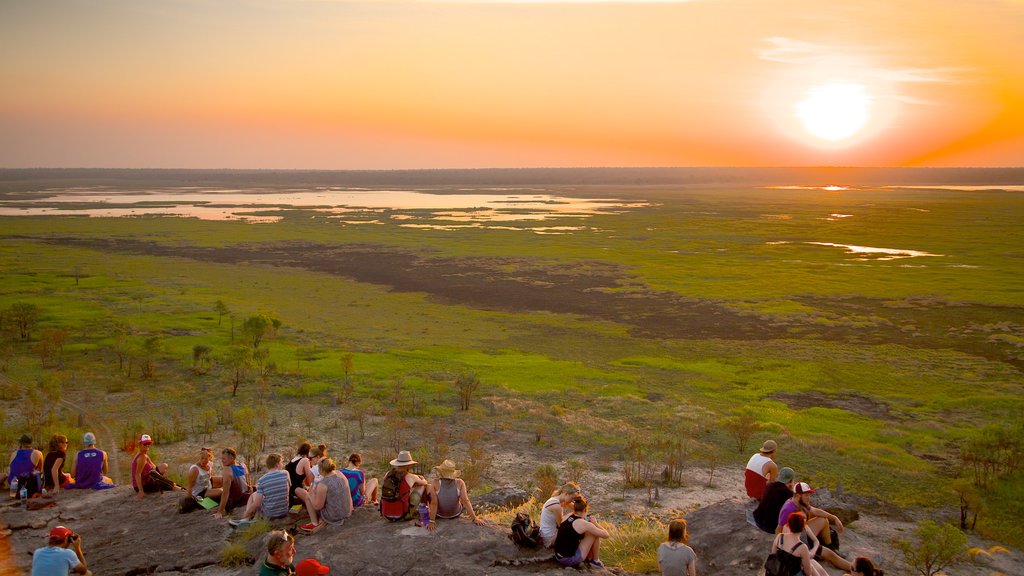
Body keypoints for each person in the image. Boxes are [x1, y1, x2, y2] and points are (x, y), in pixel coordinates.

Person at [777, 483, 851, 572]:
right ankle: (856, 569)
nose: (809, 497)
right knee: (830, 557)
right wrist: (781, 549)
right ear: (798, 495)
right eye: (806, 495)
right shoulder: (788, 509)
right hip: (797, 544)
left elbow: (815, 511)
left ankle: (856, 568)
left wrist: (834, 518)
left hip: (803, 536)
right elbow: (779, 529)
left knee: (823, 520)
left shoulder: (800, 502)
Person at [380, 450, 436, 530]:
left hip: (386, 515)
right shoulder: (410, 476)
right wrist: (421, 479)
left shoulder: (388, 474)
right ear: (408, 465)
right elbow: (425, 482)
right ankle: (425, 510)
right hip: (402, 516)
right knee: (423, 486)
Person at [233, 453, 290, 526]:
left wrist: (246, 513)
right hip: (284, 511)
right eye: (281, 463)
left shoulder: (262, 480)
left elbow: (257, 504)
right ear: (277, 464)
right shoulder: (286, 473)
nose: (282, 465)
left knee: (253, 495)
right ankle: (249, 519)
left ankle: (245, 518)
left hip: (270, 515)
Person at [297, 458, 352, 533]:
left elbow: (317, 506)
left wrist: (311, 494)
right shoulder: (340, 474)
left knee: (307, 497)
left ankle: (314, 523)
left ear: (321, 469)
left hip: (334, 516)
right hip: (347, 511)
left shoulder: (323, 484)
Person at [553, 496, 609, 568]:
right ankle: (595, 561)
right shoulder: (584, 524)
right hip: (568, 560)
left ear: (574, 509)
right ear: (585, 510)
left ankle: (589, 558)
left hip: (558, 555)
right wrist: (595, 523)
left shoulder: (567, 516)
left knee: (588, 532)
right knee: (593, 533)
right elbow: (606, 535)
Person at [429, 459, 485, 525]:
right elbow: (465, 501)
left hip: (440, 515)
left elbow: (434, 503)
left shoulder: (435, 483)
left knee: (428, 489)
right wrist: (474, 518)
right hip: (455, 514)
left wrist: (432, 521)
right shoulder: (460, 482)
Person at [771, 512, 828, 576]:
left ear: (789, 525)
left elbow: (773, 556)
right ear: (803, 527)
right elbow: (808, 573)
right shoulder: (802, 547)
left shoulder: (779, 537)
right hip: (791, 573)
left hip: (778, 571)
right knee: (811, 567)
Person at [132, 434, 178, 500]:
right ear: (140, 444)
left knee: (164, 466)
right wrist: (141, 491)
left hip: (148, 478)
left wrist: (161, 478)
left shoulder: (143, 454)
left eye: (148, 443)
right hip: (144, 485)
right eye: (145, 444)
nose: (147, 445)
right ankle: (174, 486)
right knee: (172, 486)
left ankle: (168, 483)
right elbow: (137, 474)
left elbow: (153, 466)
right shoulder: (142, 457)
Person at [753, 467, 795, 533]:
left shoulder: (769, 486)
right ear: (791, 480)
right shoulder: (789, 494)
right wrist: (791, 490)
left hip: (757, 520)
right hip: (772, 528)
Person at [213, 447, 251, 518]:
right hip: (247, 497)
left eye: (224, 459)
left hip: (235, 502)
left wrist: (219, 512)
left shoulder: (227, 470)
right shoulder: (243, 465)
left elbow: (225, 493)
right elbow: (249, 484)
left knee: (217, 495)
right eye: (222, 458)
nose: (222, 461)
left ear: (231, 458)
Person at [539, 482, 580, 548]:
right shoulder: (556, 506)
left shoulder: (556, 499)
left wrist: (579, 499)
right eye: (572, 498)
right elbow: (561, 526)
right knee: (579, 531)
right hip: (549, 538)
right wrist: (572, 515)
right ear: (566, 493)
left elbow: (578, 508)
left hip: (546, 533)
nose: (572, 501)